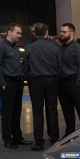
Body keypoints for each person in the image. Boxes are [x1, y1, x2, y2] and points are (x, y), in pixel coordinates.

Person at [0, 23, 33, 149]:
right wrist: (2, 83)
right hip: (8, 84)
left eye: (20, 33)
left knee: (17, 111)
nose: (20, 35)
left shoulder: (15, 47)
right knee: (7, 112)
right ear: (9, 32)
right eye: (18, 33)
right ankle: (7, 139)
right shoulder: (1, 47)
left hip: (18, 82)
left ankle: (18, 137)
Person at [24, 22, 60, 151]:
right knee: (52, 109)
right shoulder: (55, 46)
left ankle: (39, 142)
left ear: (35, 32)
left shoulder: (29, 47)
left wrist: (30, 79)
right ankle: (54, 138)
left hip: (36, 81)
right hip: (51, 80)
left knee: (37, 111)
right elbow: (59, 65)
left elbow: (26, 67)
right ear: (46, 32)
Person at [58, 23, 80, 137]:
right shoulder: (60, 48)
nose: (61, 34)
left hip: (74, 82)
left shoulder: (77, 48)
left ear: (71, 33)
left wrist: (78, 82)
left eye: (64, 32)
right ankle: (69, 133)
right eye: (61, 31)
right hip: (62, 83)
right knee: (67, 111)